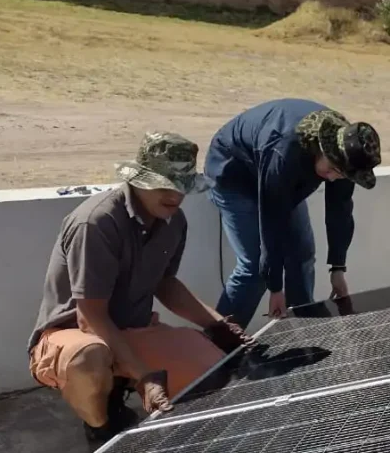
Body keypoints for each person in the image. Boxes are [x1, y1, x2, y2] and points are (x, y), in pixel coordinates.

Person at [27, 132, 254, 448]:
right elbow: (90, 318)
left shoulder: (174, 221)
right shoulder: (96, 222)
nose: (174, 195)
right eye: (164, 184)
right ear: (139, 180)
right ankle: (102, 431)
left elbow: (165, 283)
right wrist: (144, 375)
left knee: (212, 370)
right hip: (74, 333)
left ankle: (131, 394)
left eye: (181, 186)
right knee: (91, 358)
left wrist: (217, 324)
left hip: (133, 328)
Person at [203, 99, 381, 329]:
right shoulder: (284, 151)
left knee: (302, 254)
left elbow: (340, 211)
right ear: (324, 149)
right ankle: (220, 344)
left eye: (342, 175)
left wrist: (338, 267)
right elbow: (272, 218)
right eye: (333, 170)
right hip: (234, 174)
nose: (333, 178)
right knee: (255, 268)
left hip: (281, 178)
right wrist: (276, 288)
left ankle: (304, 327)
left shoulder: (347, 155)